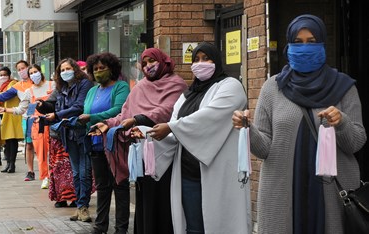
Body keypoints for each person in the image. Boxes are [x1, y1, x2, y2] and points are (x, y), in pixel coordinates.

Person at [232, 15, 367, 234]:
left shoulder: (343, 87)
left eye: (311, 41)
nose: (304, 47)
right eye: (298, 42)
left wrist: (341, 122)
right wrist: (248, 128)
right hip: (285, 189)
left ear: (322, 43)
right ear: (289, 45)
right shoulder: (272, 88)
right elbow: (265, 148)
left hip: (331, 191)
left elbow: (357, 142)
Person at [146, 42, 251, 234]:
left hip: (219, 172)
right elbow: (174, 130)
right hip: (188, 173)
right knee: (194, 227)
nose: (200, 63)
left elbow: (209, 118)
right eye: (196, 59)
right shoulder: (188, 94)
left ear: (217, 61)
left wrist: (171, 127)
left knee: (222, 224)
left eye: (206, 58)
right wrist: (146, 134)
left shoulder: (231, 86)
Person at [90, 48, 188, 234]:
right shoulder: (141, 86)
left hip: (165, 154)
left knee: (164, 200)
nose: (148, 66)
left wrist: (139, 119)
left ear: (163, 61)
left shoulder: (176, 85)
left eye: (152, 61)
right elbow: (125, 114)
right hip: (142, 154)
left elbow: (167, 110)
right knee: (145, 200)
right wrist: (106, 124)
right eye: (144, 63)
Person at [36, 58, 94, 222]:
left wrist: (57, 115)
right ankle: (79, 207)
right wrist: (42, 106)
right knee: (76, 173)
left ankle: (83, 207)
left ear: (75, 69)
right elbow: (54, 106)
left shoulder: (85, 84)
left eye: (68, 68)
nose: (64, 72)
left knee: (84, 173)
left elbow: (79, 107)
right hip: (67, 135)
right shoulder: (62, 87)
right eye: (61, 70)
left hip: (82, 133)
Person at [78, 52, 130, 234]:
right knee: (102, 186)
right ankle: (101, 226)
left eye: (103, 68)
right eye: (95, 69)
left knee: (120, 185)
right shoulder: (93, 90)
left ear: (112, 69)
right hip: (95, 144)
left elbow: (119, 110)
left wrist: (92, 117)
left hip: (114, 144)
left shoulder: (121, 87)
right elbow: (85, 111)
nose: (99, 71)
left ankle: (121, 228)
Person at [0, 64, 54, 189]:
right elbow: (21, 109)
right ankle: (45, 177)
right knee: (41, 152)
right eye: (31, 73)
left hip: (54, 122)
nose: (33, 75)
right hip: (38, 124)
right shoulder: (29, 91)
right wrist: (3, 109)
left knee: (55, 152)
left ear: (40, 72)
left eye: (35, 71)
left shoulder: (52, 85)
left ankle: (55, 175)